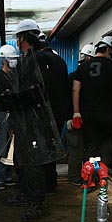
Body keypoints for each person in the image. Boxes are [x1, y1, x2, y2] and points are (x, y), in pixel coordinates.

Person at [2, 19, 66, 222]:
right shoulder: (57, 59)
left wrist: (10, 101)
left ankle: (35, 202)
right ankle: (37, 191)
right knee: (38, 158)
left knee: (32, 162)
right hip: (50, 118)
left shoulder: (32, 61)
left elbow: (33, 93)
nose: (18, 43)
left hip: (33, 120)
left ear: (23, 39)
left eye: (18, 39)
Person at [72, 36, 112, 181]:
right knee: (108, 144)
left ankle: (88, 179)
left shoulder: (83, 67)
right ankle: (102, 175)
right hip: (107, 114)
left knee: (91, 146)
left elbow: (75, 89)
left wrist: (76, 112)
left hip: (88, 114)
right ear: (109, 50)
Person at [37, 31, 69, 195]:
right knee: (52, 144)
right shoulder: (61, 61)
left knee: (43, 147)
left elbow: (41, 88)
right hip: (59, 112)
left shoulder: (41, 60)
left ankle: (46, 183)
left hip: (45, 112)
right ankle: (52, 181)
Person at [66, 43, 94, 186]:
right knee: (80, 150)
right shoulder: (80, 79)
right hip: (80, 119)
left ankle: (76, 178)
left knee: (76, 150)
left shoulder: (72, 76)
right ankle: (81, 178)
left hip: (76, 118)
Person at [0, 44, 19, 189]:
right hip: (2, 115)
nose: (13, 61)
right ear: (4, 60)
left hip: (13, 114)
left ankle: (8, 176)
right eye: (11, 58)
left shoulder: (15, 76)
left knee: (11, 147)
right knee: (1, 146)